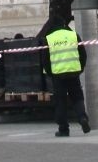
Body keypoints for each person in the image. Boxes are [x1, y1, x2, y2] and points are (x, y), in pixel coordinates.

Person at [39, 9, 91, 137]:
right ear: (63, 24)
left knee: (60, 101)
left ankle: (63, 129)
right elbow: (83, 54)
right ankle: (82, 118)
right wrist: (80, 68)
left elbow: (45, 60)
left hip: (58, 74)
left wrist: (51, 73)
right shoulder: (73, 35)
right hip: (73, 72)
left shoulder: (49, 39)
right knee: (77, 97)